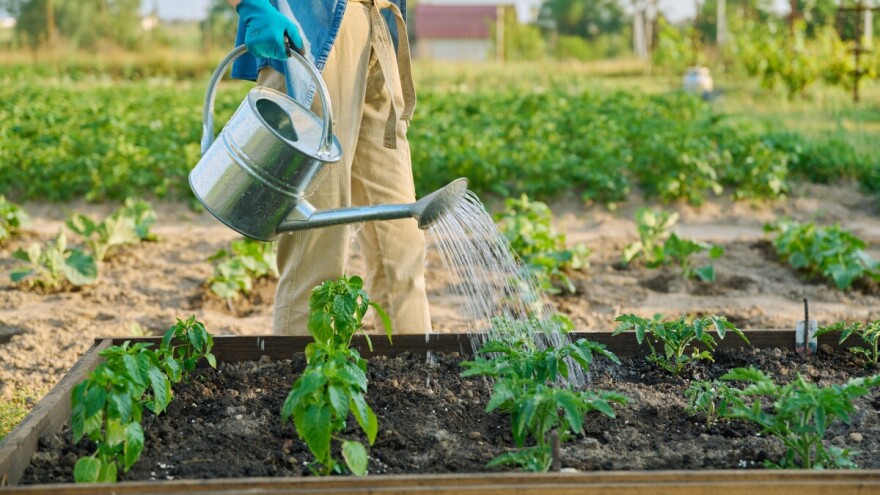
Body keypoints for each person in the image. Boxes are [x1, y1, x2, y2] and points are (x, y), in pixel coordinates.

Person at [225, 0, 432, 336]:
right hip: (310, 33)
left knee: (401, 242)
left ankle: (416, 366)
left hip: (379, 25)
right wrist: (252, 5)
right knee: (317, 248)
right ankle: (306, 368)